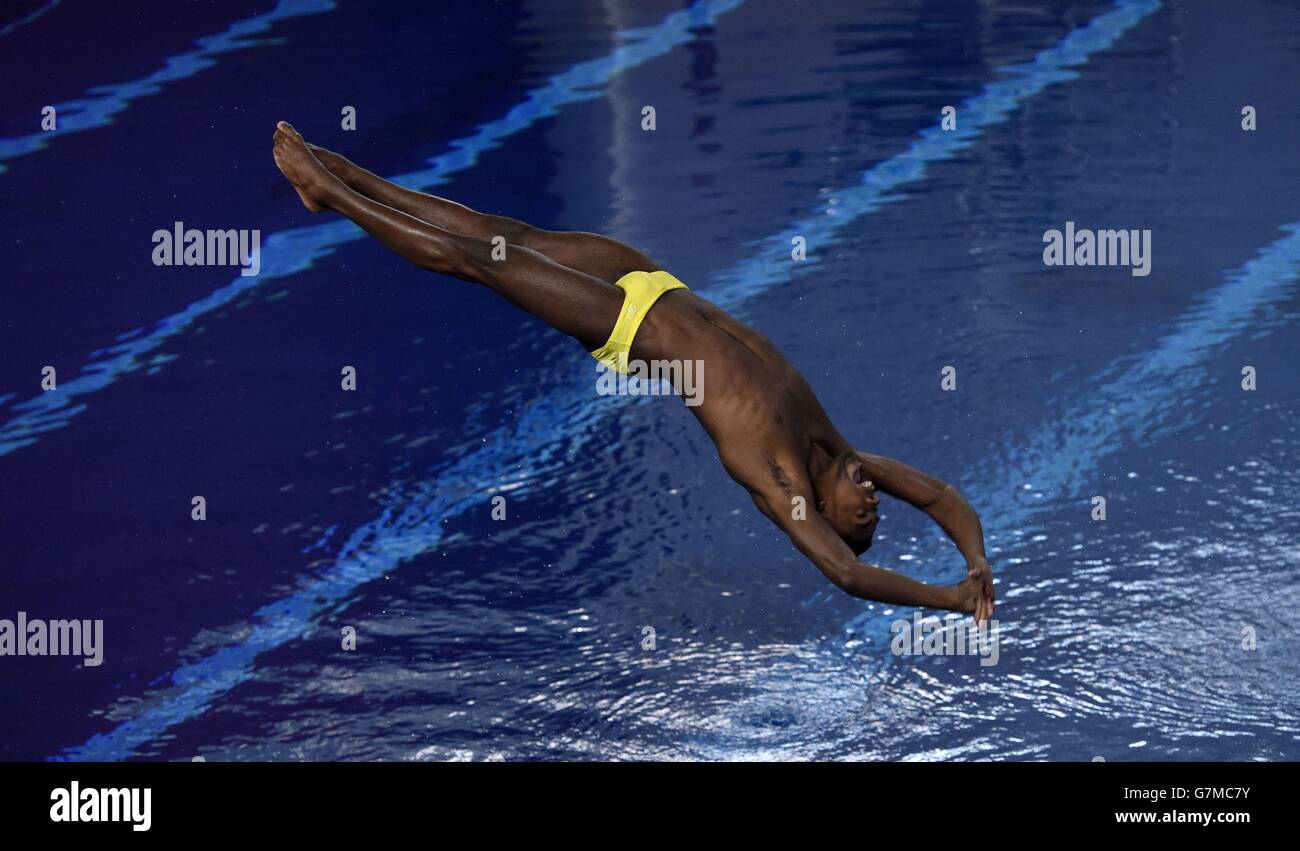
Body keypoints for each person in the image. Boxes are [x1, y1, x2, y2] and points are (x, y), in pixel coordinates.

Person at [272, 121, 996, 623]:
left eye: (863, 510)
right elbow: (942, 496)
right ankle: (349, 174)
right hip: (652, 282)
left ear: (827, 516)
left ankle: (329, 193)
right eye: (874, 500)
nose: (871, 494)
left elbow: (847, 573)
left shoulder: (780, 480)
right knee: (499, 233)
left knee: (480, 262)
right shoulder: (838, 449)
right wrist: (976, 562)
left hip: (627, 327)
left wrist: (949, 600)